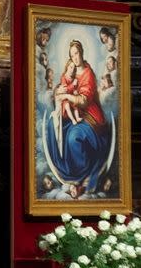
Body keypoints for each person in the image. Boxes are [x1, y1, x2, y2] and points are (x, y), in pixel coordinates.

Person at [45, 40, 110, 193]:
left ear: (81, 52)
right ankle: (66, 169)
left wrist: (66, 94)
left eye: (76, 53)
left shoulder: (88, 73)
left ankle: (81, 173)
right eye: (71, 55)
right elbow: (62, 86)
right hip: (73, 113)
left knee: (73, 136)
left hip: (90, 116)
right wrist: (59, 92)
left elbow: (84, 100)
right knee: (51, 126)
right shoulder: (71, 71)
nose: (74, 57)